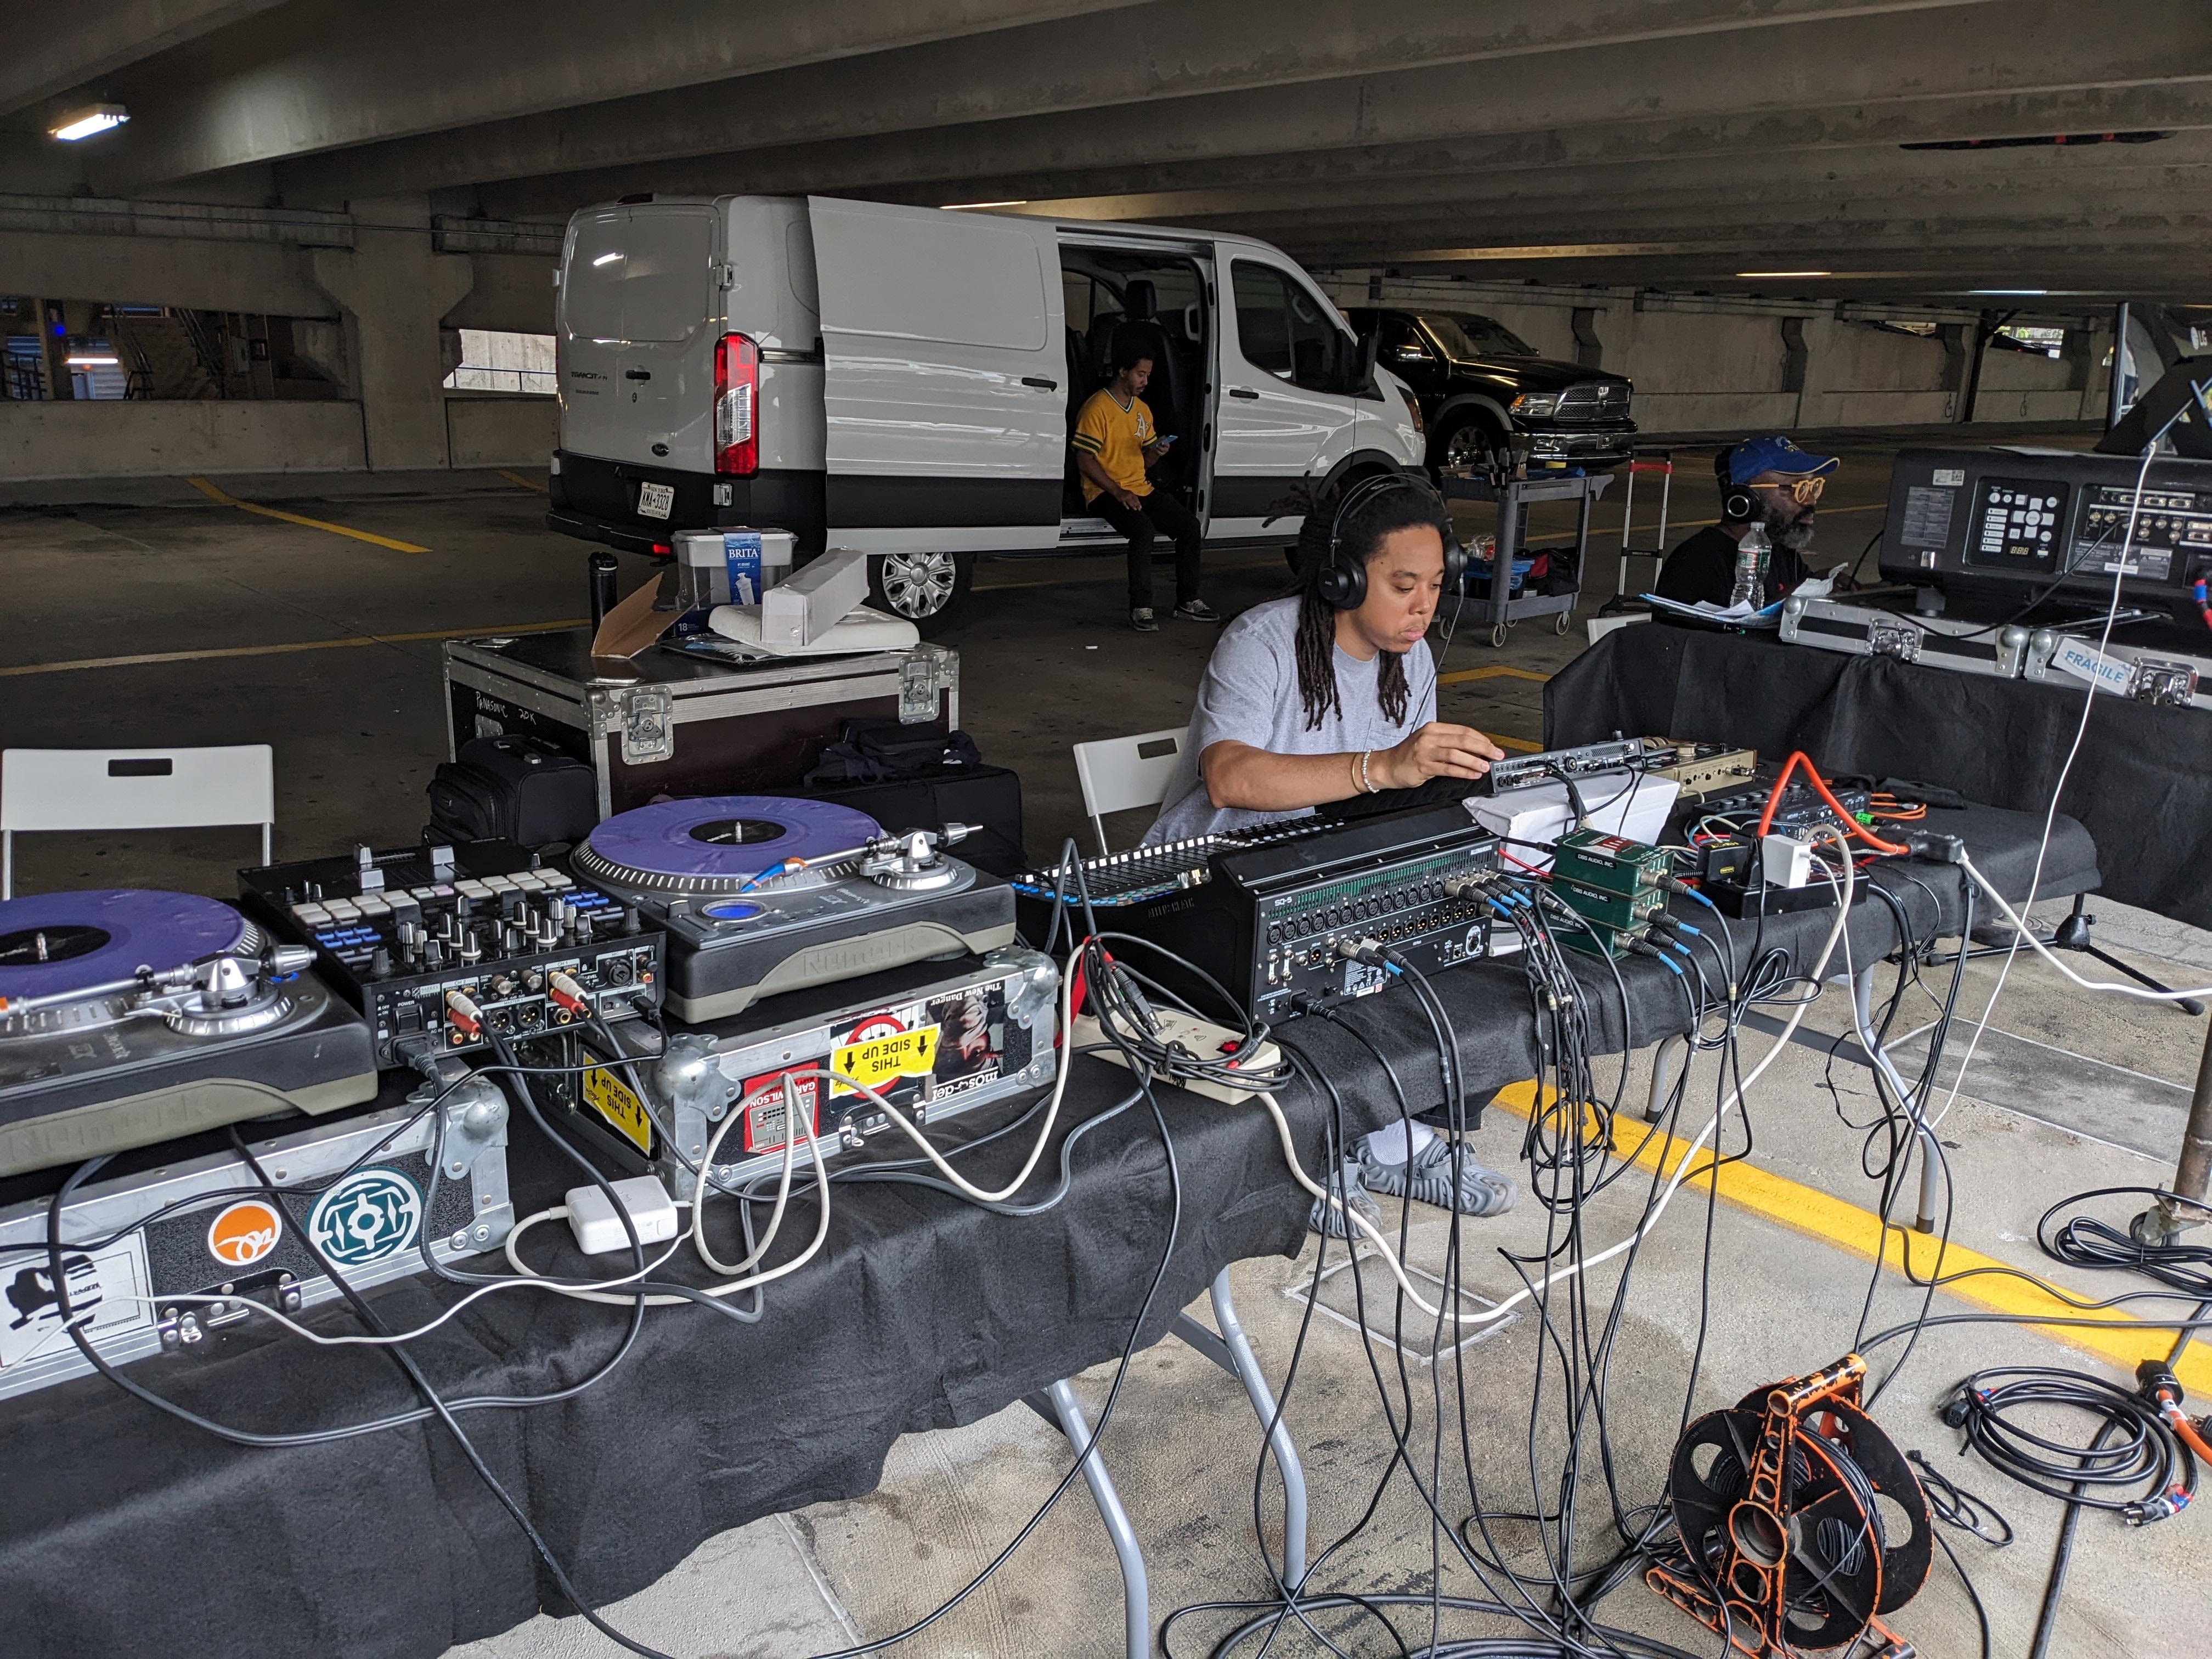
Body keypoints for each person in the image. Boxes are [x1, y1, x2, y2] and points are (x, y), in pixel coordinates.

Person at [1144, 473, 1517, 1232]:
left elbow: (1401, 792)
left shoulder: (1409, 659)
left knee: (1440, 960)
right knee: (1309, 986)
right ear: (1343, 577)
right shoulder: (1262, 642)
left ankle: (1387, 1134)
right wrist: (1380, 766)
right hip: (1212, 876)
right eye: (1403, 584)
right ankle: (1314, 1151)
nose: (1424, 606)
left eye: (1437, 585)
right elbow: (1230, 775)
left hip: (1328, 860)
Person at [1073, 348, 1214, 632]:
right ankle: (1141, 606)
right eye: (1141, 374)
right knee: (1142, 531)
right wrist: (1118, 492)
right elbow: (1085, 460)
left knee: (1188, 526)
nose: (1145, 381)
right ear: (1123, 371)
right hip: (1104, 492)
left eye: (1148, 375)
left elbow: (1144, 462)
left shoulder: (1142, 410)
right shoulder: (1097, 407)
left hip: (1139, 487)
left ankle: (1188, 601)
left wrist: (1157, 452)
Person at [1652, 435, 1841, 611]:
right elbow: (1688, 643)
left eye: (1812, 488)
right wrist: (1786, 602)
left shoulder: (1783, 554)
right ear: (1745, 499)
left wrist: (1825, 585)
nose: (1810, 500)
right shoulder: (1697, 563)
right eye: (1795, 489)